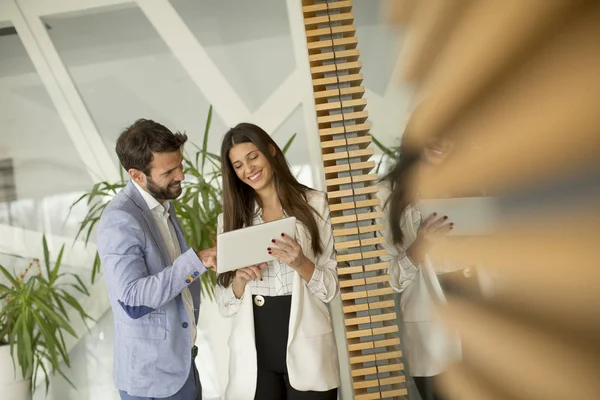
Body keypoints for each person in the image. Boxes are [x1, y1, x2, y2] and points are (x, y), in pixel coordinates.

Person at [215, 123, 340, 400]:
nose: (248, 169)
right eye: (237, 165)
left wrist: (301, 263)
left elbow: (331, 288)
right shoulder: (231, 220)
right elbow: (223, 303)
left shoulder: (317, 205)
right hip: (255, 353)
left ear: (271, 151)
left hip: (308, 344)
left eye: (253, 157)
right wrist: (237, 282)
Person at [97, 119, 216, 400]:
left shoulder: (161, 203)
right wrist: (195, 262)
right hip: (152, 381)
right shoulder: (120, 219)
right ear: (137, 175)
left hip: (182, 365)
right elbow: (132, 299)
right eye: (169, 171)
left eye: (180, 166)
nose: (181, 176)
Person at [379, 136, 468, 400]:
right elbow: (389, 279)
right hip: (429, 320)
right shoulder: (387, 195)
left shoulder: (469, 181)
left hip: (477, 309)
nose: (441, 140)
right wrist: (419, 246)